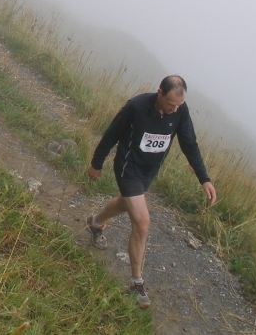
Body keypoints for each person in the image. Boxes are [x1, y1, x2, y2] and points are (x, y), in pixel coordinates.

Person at [86, 75, 217, 308]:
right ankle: (137, 283)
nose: (173, 109)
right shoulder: (136, 106)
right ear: (159, 93)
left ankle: (95, 222)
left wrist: (204, 179)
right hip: (129, 167)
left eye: (178, 105)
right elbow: (112, 133)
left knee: (126, 203)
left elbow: (189, 144)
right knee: (143, 222)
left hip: (149, 171)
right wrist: (97, 163)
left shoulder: (180, 111)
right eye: (169, 104)